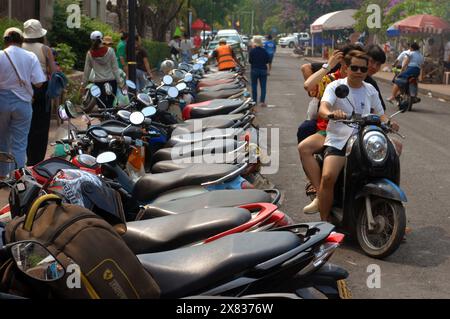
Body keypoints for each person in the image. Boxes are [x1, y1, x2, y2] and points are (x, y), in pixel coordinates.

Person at [317, 50, 398, 222]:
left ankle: (391, 214)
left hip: (364, 139)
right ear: (346, 68)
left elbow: (381, 114)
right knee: (328, 176)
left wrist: (388, 122)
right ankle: (324, 220)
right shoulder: (335, 86)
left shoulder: (370, 89)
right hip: (340, 139)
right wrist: (332, 113)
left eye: (363, 69)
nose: (359, 72)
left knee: (390, 162)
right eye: (355, 68)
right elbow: (323, 108)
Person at [0, 27, 46, 177]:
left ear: (5, 41)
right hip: (23, 103)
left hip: (2, 102)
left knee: (2, 141)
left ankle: (2, 176)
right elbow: (39, 82)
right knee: (20, 144)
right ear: (21, 40)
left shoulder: (0, 55)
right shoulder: (30, 56)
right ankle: (18, 178)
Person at [21, 19, 58, 166]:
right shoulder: (45, 48)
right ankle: (36, 161)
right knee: (41, 126)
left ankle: (25, 157)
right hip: (41, 89)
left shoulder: (20, 46)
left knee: (25, 125)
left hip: (23, 89)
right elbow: (53, 71)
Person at [82, 31, 124, 109]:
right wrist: (120, 82)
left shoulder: (89, 54)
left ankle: (104, 120)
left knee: (101, 107)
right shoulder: (110, 50)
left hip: (98, 83)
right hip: (112, 81)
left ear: (91, 40)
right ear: (102, 39)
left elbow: (86, 71)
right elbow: (115, 68)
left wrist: (83, 85)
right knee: (110, 106)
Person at [249, 36, 270, 107]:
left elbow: (250, 61)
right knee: (263, 87)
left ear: (254, 43)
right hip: (263, 70)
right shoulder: (264, 51)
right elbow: (267, 61)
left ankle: (254, 101)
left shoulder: (252, 51)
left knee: (254, 86)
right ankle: (262, 102)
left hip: (254, 70)